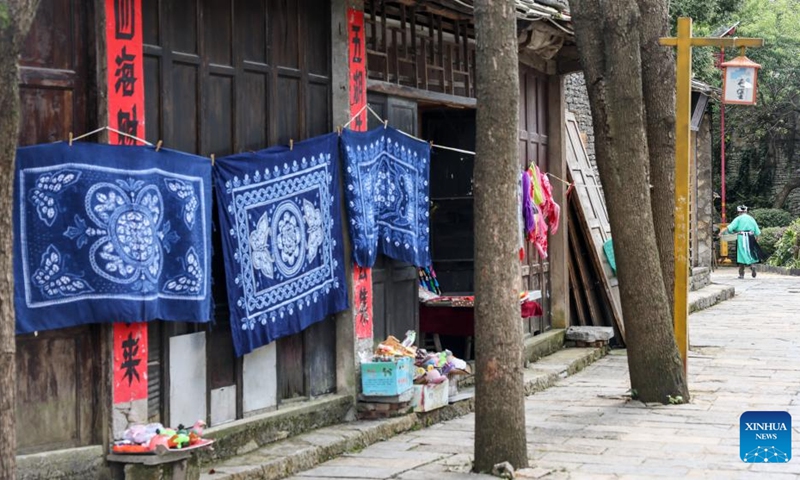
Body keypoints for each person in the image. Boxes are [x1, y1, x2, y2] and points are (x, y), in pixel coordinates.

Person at [720, 205, 764, 279]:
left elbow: (730, 227)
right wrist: (757, 238)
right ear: (746, 211)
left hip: (741, 237)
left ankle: (741, 274)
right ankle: (752, 265)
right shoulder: (751, 218)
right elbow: (757, 230)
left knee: (741, 254)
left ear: (739, 212)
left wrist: (721, 233)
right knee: (750, 253)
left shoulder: (738, 218)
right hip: (751, 236)